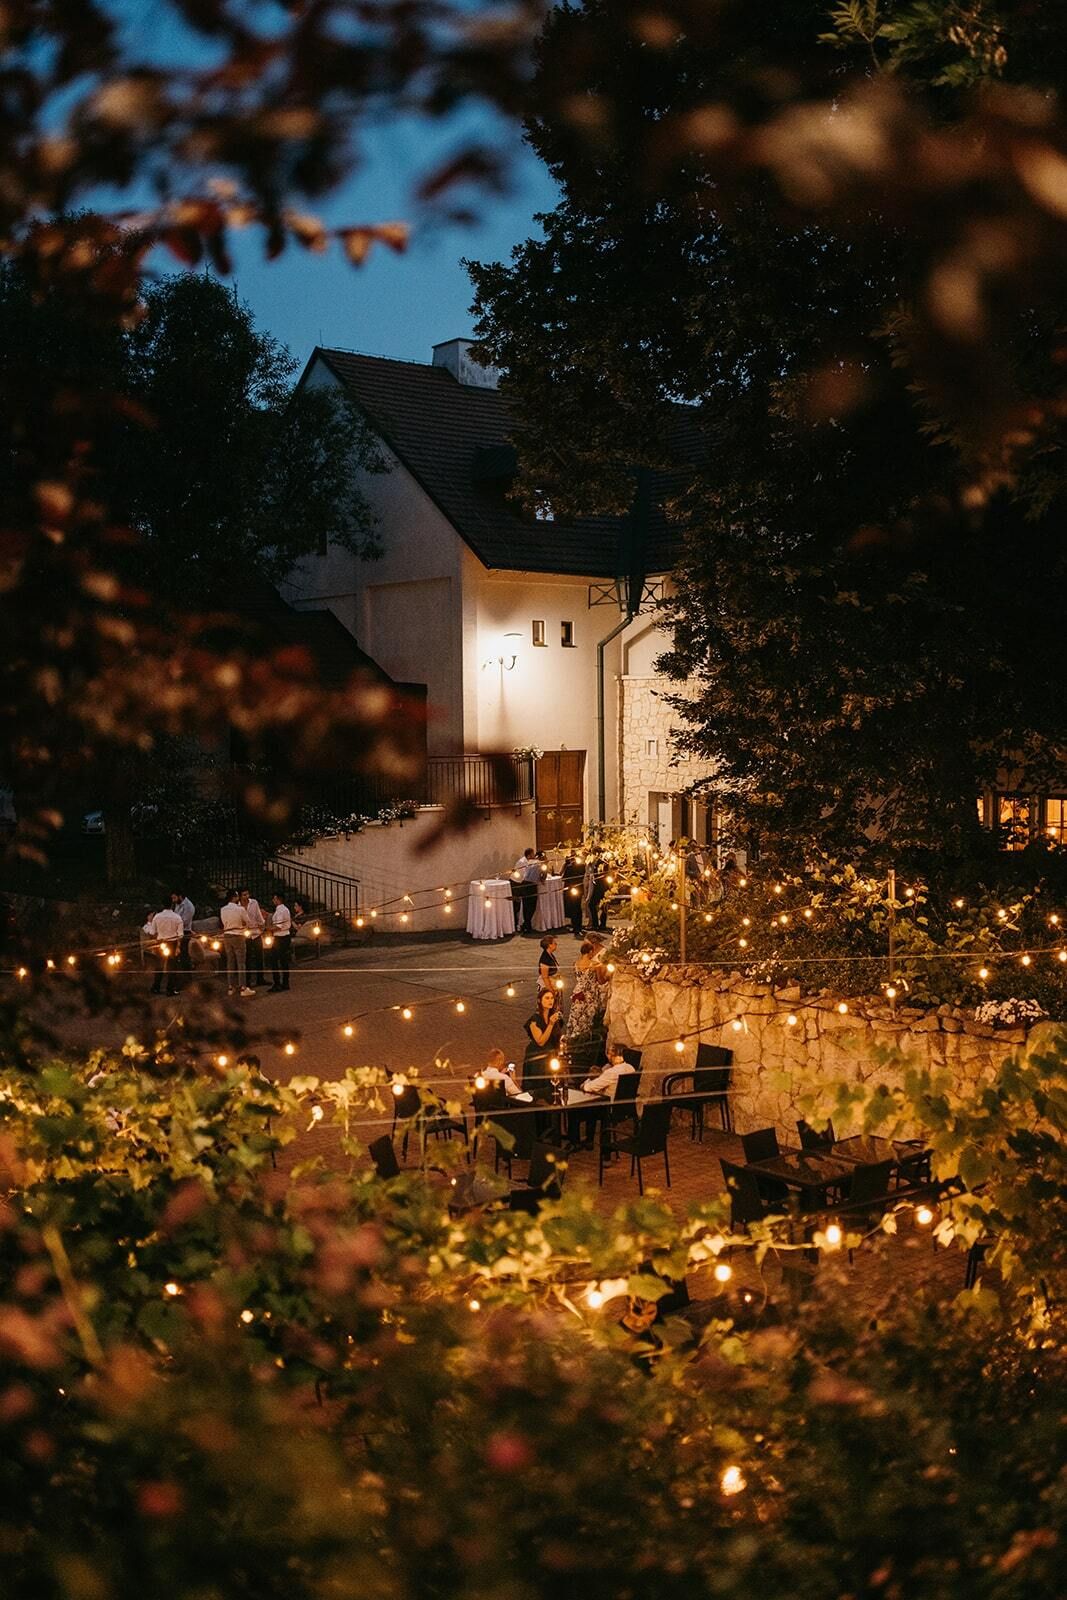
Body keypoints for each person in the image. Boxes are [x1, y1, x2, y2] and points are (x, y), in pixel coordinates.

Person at [563, 940, 610, 1075]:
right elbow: (601, 980)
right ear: (590, 952)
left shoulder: (575, 964)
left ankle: (572, 1044)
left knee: (576, 1018)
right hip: (590, 995)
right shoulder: (595, 965)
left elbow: (578, 979)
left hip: (578, 993)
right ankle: (585, 1046)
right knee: (588, 1020)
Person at [522, 987, 564, 1100]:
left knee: (552, 1090)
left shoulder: (554, 1018)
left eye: (552, 998)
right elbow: (540, 1041)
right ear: (539, 1001)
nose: (550, 1001)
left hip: (551, 1058)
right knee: (538, 1091)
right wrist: (550, 1024)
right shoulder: (534, 1020)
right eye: (547, 998)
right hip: (537, 1059)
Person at [144, 900, 184, 996]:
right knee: (172, 966)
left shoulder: (157, 917)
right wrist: (178, 947)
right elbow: (181, 935)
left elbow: (152, 932)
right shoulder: (177, 917)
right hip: (172, 943)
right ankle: (170, 989)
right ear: (172, 905)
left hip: (160, 943)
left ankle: (156, 987)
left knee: (159, 966)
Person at [219, 890, 255, 999]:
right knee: (241, 962)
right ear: (235, 898)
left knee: (230, 961)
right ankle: (243, 987)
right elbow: (248, 922)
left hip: (227, 936)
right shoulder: (240, 909)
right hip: (238, 935)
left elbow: (223, 922)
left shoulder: (223, 909)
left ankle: (231, 986)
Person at [239, 887, 267, 987]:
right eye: (244, 895)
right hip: (244, 935)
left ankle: (260, 978)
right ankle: (248, 981)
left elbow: (258, 915)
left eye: (247, 894)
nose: (246, 897)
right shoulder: (237, 906)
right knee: (247, 958)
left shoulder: (254, 903)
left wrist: (262, 925)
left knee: (259, 956)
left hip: (256, 933)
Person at [268, 891, 292, 991]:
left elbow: (278, 926)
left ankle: (277, 983)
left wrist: (268, 929)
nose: (273, 901)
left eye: (274, 899)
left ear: (278, 899)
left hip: (280, 937)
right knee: (284, 960)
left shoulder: (280, 911)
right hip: (285, 936)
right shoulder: (284, 909)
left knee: (275, 961)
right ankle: (285, 982)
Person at [518, 848, 544, 935]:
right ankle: (527, 925)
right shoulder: (538, 863)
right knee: (531, 906)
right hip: (531, 885)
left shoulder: (529, 862)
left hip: (525, 884)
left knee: (526, 906)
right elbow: (543, 875)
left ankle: (526, 924)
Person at [171, 889, 195, 981]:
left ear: (180, 896)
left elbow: (184, 922)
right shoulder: (177, 904)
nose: (173, 900)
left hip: (184, 932)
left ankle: (187, 978)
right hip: (176, 931)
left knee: (184, 954)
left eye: (174, 898)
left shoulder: (189, 907)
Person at [561, 851, 584, 937]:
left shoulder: (569, 867)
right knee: (578, 908)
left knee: (574, 908)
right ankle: (579, 926)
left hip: (571, 890)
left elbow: (565, 878)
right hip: (579, 889)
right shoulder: (582, 866)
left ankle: (575, 926)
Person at [587, 859, 610, 932]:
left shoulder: (601, 863)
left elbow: (598, 875)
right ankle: (601, 924)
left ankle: (596, 924)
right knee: (603, 906)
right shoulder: (603, 862)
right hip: (603, 886)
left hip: (600, 887)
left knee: (593, 905)